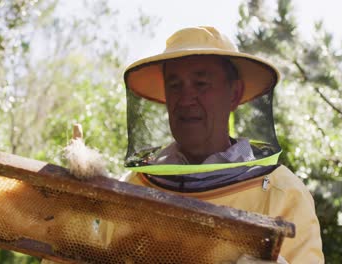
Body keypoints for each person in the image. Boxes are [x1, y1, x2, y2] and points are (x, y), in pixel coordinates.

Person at [122, 26, 324, 263]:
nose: (186, 99)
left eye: (201, 84)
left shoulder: (281, 192)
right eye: (175, 85)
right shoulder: (135, 187)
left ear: (234, 94)